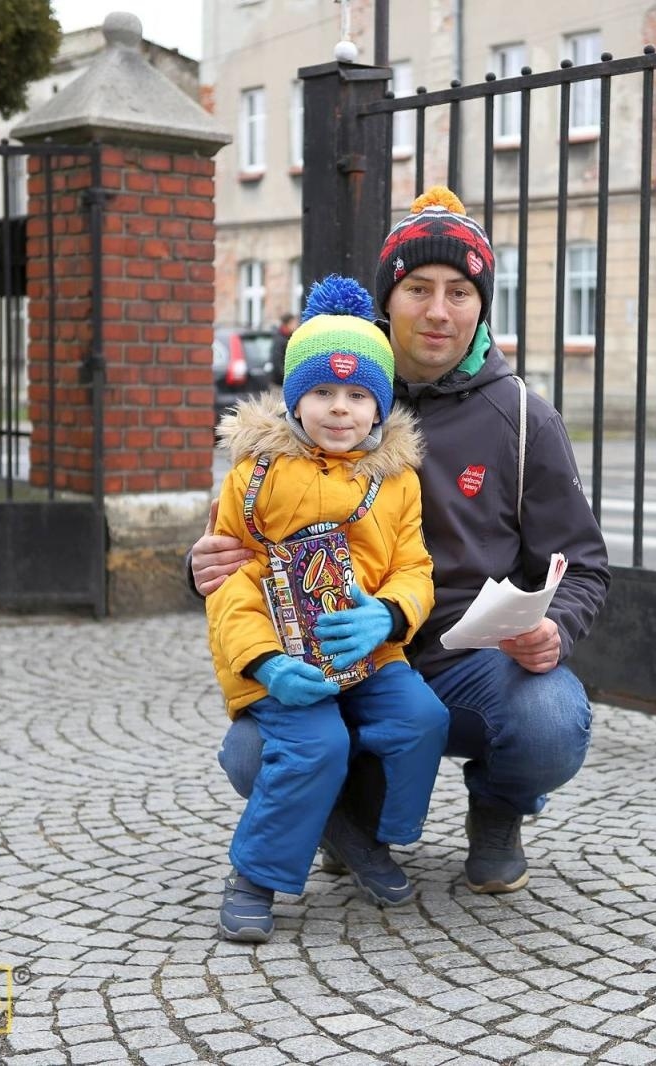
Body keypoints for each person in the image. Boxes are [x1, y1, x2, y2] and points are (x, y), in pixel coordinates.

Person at [194, 186, 610, 905]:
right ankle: (345, 819)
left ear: (483, 304)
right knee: (253, 753)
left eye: (459, 291)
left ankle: (498, 813)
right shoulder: (327, 391)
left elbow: (585, 565)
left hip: (461, 662)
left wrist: (555, 626)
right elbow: (243, 539)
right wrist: (195, 566)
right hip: (328, 648)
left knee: (548, 720)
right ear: (390, 298)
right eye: (419, 288)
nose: (439, 310)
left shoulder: (521, 419)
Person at [206, 275, 450, 942]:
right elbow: (231, 582)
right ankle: (255, 875)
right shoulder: (254, 477)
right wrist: (262, 663)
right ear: (293, 399)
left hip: (369, 650)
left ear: (378, 407)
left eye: (356, 395)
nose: (339, 409)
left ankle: (365, 837)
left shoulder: (397, 482)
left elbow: (414, 567)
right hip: (284, 657)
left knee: (421, 718)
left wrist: (391, 615)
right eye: (320, 392)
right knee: (314, 741)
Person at [268, 312, 297, 388]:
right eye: (294, 323)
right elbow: (277, 362)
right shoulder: (280, 339)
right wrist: (287, 377)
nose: (296, 325)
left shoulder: (289, 337)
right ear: (288, 324)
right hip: (279, 384)